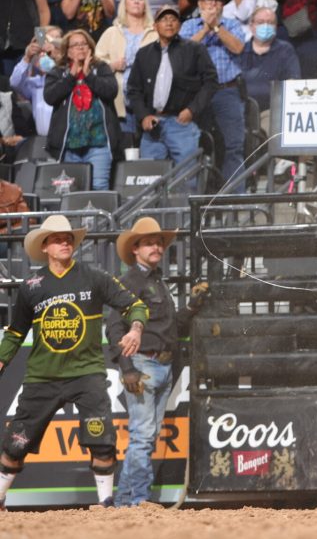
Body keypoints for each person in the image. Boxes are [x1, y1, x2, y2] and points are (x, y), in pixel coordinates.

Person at [0, 214, 147, 511]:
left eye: (68, 237)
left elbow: (135, 305)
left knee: (103, 442)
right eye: (57, 238)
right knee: (15, 445)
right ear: (45, 246)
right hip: (42, 376)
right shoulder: (31, 285)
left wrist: (135, 328)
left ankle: (106, 504)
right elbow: (15, 333)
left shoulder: (95, 278)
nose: (64, 242)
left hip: (87, 375)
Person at [106, 217, 208, 508]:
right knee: (144, 435)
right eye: (150, 242)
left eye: (159, 242)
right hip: (143, 365)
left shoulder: (154, 280)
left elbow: (169, 325)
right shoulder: (129, 282)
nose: (157, 247)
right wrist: (126, 368)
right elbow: (114, 327)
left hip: (160, 365)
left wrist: (190, 307)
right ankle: (138, 499)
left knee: (144, 434)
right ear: (135, 249)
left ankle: (126, 499)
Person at [126, 4, 219, 166]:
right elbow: (134, 89)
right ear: (155, 26)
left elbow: (211, 82)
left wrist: (192, 110)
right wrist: (143, 116)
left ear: (179, 25)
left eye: (173, 19)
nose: (169, 23)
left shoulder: (194, 49)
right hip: (152, 126)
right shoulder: (144, 53)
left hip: (181, 123)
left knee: (186, 178)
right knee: (149, 181)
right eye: (164, 19)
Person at [181, 0, 249, 190]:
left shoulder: (232, 25)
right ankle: (199, 200)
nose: (211, 4)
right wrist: (205, 29)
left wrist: (217, 27)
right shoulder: (189, 25)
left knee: (232, 147)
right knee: (196, 147)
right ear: (199, 4)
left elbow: (238, 48)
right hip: (196, 95)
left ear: (222, 4)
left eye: (215, 0)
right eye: (206, 0)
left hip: (226, 91)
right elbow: (183, 53)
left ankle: (234, 201)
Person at [45, 30, 121, 189]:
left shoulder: (101, 68)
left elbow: (111, 91)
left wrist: (88, 75)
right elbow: (50, 97)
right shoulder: (58, 72)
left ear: (90, 48)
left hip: (98, 143)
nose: (80, 47)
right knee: (71, 192)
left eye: (83, 44)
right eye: (75, 45)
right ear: (68, 50)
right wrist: (72, 75)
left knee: (99, 187)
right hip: (69, 145)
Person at [96, 0, 158, 143]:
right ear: (124, 4)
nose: (137, 1)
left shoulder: (155, 32)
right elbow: (95, 62)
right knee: (124, 149)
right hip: (119, 103)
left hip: (148, 102)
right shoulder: (112, 32)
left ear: (145, 4)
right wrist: (112, 65)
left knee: (147, 149)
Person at [238, 7, 300, 122]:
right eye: (260, 22)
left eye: (270, 23)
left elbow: (293, 81)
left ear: (276, 28)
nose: (265, 26)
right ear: (251, 26)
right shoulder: (241, 50)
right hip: (241, 110)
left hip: (272, 110)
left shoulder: (285, 50)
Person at [10, 25, 63, 137]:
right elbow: (14, 82)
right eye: (46, 41)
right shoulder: (35, 84)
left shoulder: (69, 76)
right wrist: (27, 58)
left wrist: (56, 56)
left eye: (55, 41)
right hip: (44, 142)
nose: (49, 48)